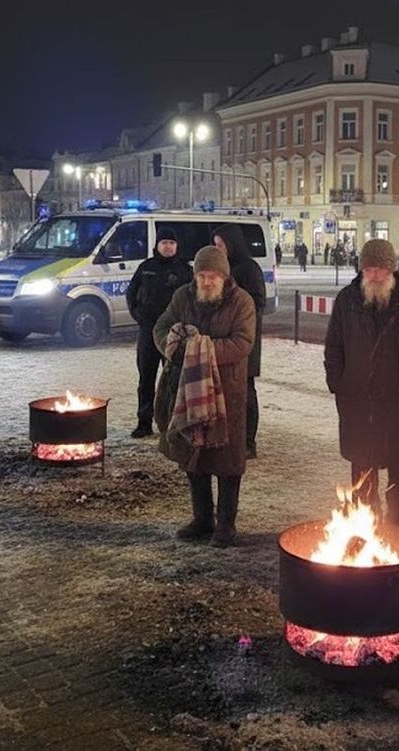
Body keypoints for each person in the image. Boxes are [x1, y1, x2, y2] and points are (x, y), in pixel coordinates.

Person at [324, 239, 399, 527]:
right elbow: (334, 345)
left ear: (392, 269)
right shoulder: (347, 299)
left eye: (379, 270)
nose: (373, 276)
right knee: (362, 467)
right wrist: (338, 382)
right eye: (368, 269)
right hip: (358, 400)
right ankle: (365, 529)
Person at [153, 246, 256, 547]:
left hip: (227, 392)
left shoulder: (242, 302)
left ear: (224, 276)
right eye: (202, 275)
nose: (207, 281)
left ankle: (226, 524)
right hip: (188, 390)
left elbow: (242, 342)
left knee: (226, 461)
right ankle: (202, 518)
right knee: (193, 454)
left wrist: (202, 350)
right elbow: (160, 327)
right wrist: (173, 346)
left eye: (212, 276)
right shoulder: (183, 297)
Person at [125, 227, 193, 438]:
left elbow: (193, 299)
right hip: (148, 330)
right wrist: (139, 315)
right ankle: (144, 423)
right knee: (146, 378)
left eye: (171, 243)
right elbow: (132, 293)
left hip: (174, 334)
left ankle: (172, 423)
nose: (168, 246)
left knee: (173, 380)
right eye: (164, 243)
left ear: (177, 246)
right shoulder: (146, 267)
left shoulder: (185, 270)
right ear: (157, 245)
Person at [213, 224, 265, 459]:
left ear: (232, 244)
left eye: (221, 245)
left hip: (246, 338)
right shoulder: (222, 268)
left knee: (245, 391)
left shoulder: (249, 268)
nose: (218, 249)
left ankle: (248, 442)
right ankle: (230, 437)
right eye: (215, 245)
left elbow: (258, 303)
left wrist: (236, 311)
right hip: (224, 339)